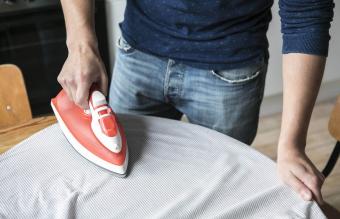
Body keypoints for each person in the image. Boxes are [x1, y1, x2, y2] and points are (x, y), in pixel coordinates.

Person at [58, 0, 334, 208]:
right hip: (139, 49)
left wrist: (291, 144)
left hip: (229, 70)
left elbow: (306, 15)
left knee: (218, 191)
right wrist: (81, 45)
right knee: (125, 182)